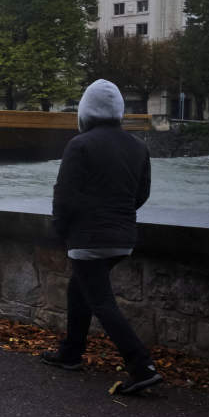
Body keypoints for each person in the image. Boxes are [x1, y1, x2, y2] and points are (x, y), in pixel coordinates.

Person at [44, 79, 161, 395]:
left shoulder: (79, 145)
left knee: (101, 301)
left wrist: (60, 229)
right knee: (79, 289)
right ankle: (70, 353)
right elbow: (141, 194)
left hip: (88, 238)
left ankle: (141, 365)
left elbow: (64, 195)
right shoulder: (138, 147)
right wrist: (119, 216)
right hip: (123, 239)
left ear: (85, 111)